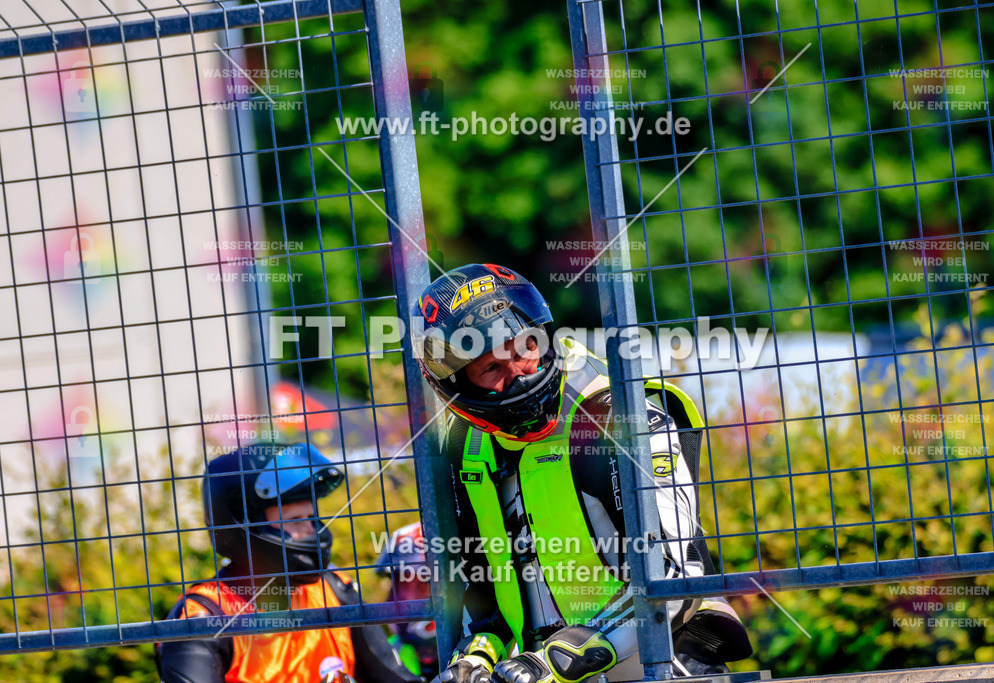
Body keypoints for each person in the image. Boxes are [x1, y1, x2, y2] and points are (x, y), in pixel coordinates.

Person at [411, 264, 752, 681]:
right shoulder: (465, 446)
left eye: (522, 350)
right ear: (460, 386)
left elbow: (673, 580)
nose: (517, 373)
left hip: (666, 658)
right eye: (490, 368)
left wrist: (552, 662)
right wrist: (476, 658)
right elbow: (487, 597)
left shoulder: (618, 412)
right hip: (545, 672)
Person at [156, 442, 422, 683]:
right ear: (244, 527)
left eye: (312, 516)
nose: (312, 531)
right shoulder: (204, 616)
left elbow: (394, 677)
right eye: (294, 520)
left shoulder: (334, 588)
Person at [374, 522, 440, 678]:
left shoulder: (484, 649)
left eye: (421, 586)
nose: (392, 601)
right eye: (396, 587)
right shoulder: (384, 653)